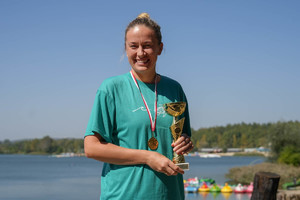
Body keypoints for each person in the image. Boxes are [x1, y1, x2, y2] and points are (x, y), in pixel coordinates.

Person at [84, 13, 194, 200]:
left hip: (170, 194)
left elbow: (182, 136)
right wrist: (147, 157)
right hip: (123, 195)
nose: (140, 53)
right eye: (133, 46)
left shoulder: (174, 89)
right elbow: (92, 148)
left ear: (160, 48)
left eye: (148, 46)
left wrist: (185, 141)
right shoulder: (110, 89)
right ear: (126, 49)